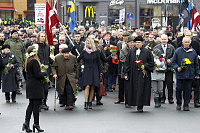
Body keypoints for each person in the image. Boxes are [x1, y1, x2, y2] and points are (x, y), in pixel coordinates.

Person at [124, 36, 154, 112]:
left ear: (142, 43)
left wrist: (145, 66)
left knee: (141, 89)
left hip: (143, 74)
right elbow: (127, 63)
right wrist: (126, 73)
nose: (137, 44)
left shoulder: (147, 52)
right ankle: (133, 103)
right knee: (133, 88)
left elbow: (151, 63)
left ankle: (140, 105)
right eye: (136, 42)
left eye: (139, 42)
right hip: (133, 74)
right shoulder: (131, 52)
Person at [22, 45, 46, 132]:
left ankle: (26, 123)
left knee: (31, 105)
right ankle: (36, 124)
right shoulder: (34, 61)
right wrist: (44, 73)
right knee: (36, 106)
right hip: (35, 85)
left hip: (30, 84)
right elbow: (38, 75)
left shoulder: (28, 61)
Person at [171, 36, 199, 111]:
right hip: (180, 74)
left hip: (190, 74)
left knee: (188, 90)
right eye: (185, 42)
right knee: (179, 89)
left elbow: (196, 64)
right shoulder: (178, 51)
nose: (187, 43)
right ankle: (179, 103)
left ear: (190, 43)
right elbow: (173, 62)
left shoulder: (193, 52)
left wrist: (197, 74)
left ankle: (186, 104)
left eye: (188, 42)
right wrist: (177, 67)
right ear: (182, 42)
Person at [77, 38, 102, 109]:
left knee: (93, 86)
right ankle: (86, 102)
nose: (87, 45)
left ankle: (90, 102)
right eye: (86, 43)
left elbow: (99, 62)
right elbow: (78, 59)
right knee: (87, 86)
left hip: (95, 70)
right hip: (87, 70)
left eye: (88, 43)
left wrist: (101, 72)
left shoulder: (96, 51)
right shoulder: (84, 51)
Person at [154, 34, 175, 104]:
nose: (163, 41)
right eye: (162, 39)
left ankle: (170, 98)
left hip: (169, 68)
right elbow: (154, 56)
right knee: (161, 84)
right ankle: (162, 98)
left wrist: (170, 60)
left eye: (165, 39)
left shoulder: (171, 47)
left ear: (167, 40)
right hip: (160, 68)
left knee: (170, 84)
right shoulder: (157, 47)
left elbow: (174, 56)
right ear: (160, 39)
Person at [4, 30, 26, 95]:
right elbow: (4, 50)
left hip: (19, 61)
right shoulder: (8, 41)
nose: (16, 35)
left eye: (16, 33)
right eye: (14, 33)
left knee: (19, 76)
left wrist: (25, 60)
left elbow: (23, 52)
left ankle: (18, 88)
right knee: (9, 76)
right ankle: (9, 89)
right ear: (11, 34)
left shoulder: (20, 42)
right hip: (9, 62)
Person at [36, 31, 53, 111]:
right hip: (38, 69)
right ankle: (38, 104)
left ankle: (44, 103)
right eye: (41, 36)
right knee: (39, 88)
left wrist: (54, 62)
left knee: (46, 88)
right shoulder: (35, 46)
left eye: (44, 36)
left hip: (46, 69)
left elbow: (48, 57)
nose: (43, 38)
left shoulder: (47, 46)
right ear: (38, 37)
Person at [115, 32, 130, 104]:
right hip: (120, 65)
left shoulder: (130, 44)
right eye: (123, 36)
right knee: (120, 83)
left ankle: (128, 99)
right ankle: (120, 98)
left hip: (127, 64)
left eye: (126, 36)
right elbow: (117, 53)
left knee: (127, 83)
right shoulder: (119, 44)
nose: (124, 38)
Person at [119, 35, 135, 108]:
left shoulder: (135, 49)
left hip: (134, 70)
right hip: (126, 70)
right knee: (127, 87)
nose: (132, 44)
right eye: (130, 42)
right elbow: (122, 59)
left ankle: (133, 101)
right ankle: (127, 102)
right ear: (127, 43)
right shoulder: (123, 50)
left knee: (134, 86)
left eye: (133, 42)